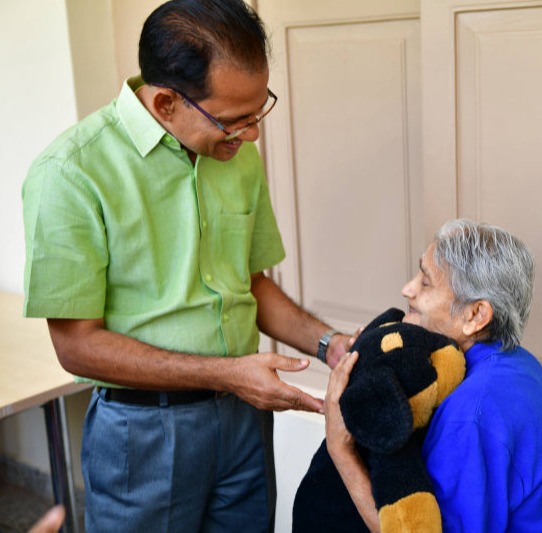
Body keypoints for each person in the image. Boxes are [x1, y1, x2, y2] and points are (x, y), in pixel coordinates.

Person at [22, 1, 349, 531]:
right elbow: (75, 345)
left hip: (245, 420)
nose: (252, 136)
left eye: (258, 110)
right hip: (144, 433)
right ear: (167, 103)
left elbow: (250, 284)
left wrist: (328, 343)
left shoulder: (235, 153)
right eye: (235, 119)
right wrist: (228, 375)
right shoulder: (70, 173)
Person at [324, 219, 542, 532]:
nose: (407, 289)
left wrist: (340, 450)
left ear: (476, 315)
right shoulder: (520, 365)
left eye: (425, 283)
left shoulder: (470, 413)